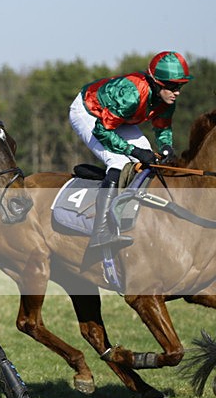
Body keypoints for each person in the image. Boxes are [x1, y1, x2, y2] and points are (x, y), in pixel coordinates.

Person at [69, 51, 192, 251]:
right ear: (156, 82)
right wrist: (133, 151)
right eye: (172, 86)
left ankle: (133, 214)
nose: (176, 91)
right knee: (118, 162)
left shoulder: (167, 99)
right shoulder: (132, 95)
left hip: (117, 118)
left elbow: (162, 127)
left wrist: (166, 147)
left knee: (150, 158)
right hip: (89, 112)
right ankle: (100, 232)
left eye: (180, 86)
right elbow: (102, 130)